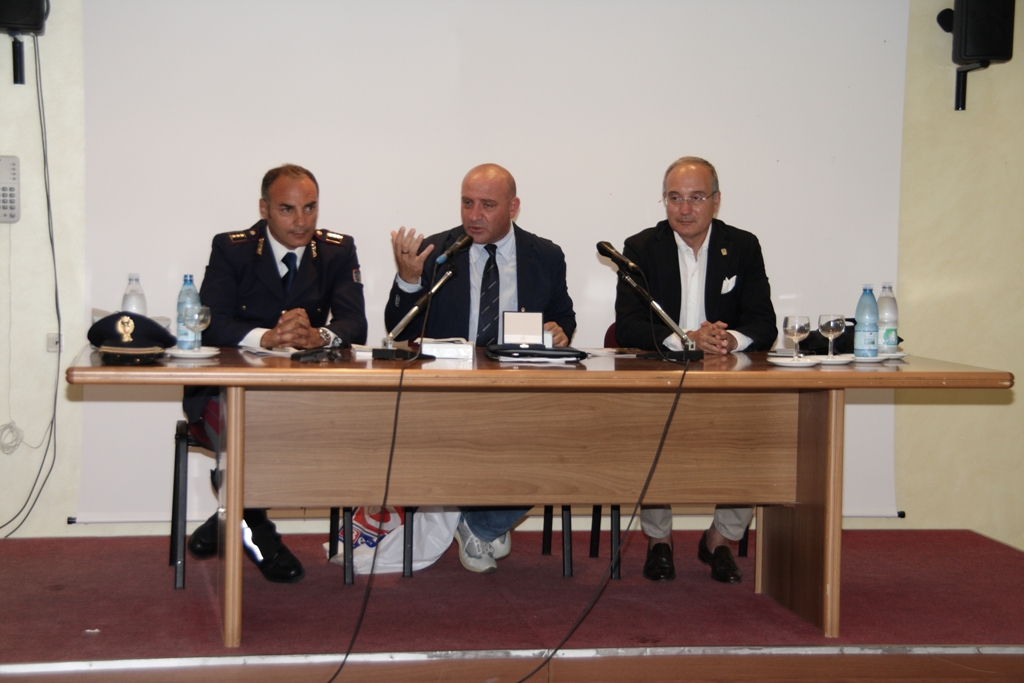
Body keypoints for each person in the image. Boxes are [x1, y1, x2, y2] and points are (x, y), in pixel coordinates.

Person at [386, 163, 576, 573]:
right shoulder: (435, 252)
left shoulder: (545, 255)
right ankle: (482, 521)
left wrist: (560, 333)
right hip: (448, 392)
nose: (474, 215)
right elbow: (398, 329)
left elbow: (564, 318)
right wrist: (407, 281)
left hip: (519, 390)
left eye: (487, 205)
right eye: (467, 203)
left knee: (562, 441)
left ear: (514, 207)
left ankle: (480, 524)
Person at [183, 164, 368, 583]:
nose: (301, 222)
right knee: (244, 434)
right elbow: (210, 323)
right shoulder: (232, 249)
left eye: (310, 208)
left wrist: (316, 335)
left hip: (300, 394)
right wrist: (266, 337)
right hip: (224, 391)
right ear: (264, 208)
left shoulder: (337, 251)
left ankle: (230, 515)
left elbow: (355, 324)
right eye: (287, 210)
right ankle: (261, 534)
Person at [614, 156, 777, 584]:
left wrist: (730, 340)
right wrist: (685, 338)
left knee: (756, 439)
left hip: (726, 381)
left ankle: (720, 538)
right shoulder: (641, 247)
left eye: (696, 198)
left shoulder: (742, 246)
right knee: (647, 430)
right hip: (662, 376)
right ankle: (659, 539)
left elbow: (764, 322)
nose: (684, 209)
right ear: (664, 201)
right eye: (674, 198)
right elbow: (628, 324)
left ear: (716, 201)